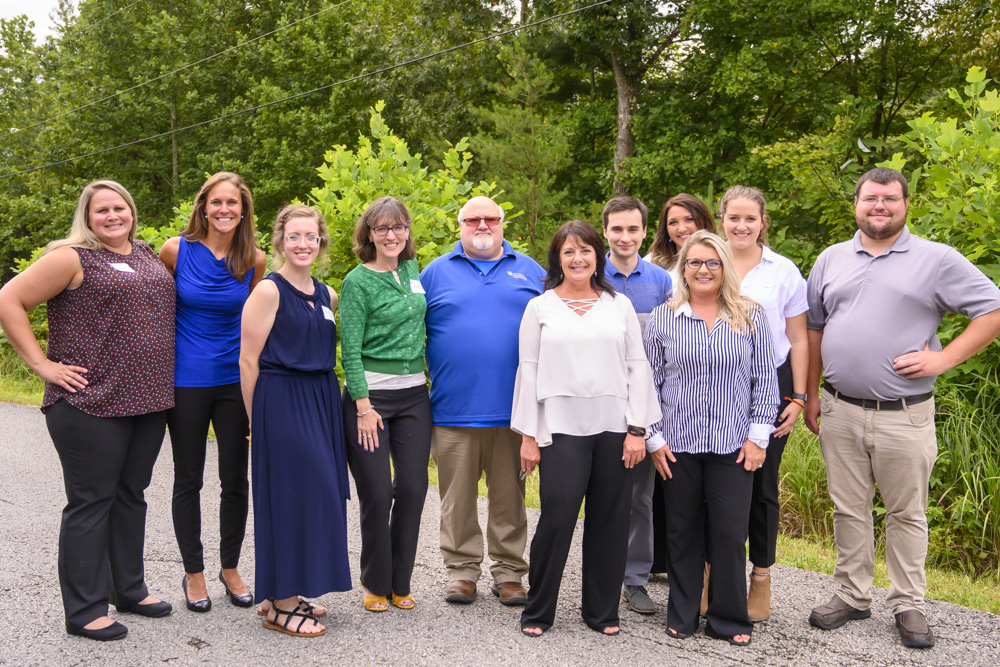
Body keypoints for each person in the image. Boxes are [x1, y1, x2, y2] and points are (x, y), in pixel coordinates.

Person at [804, 167, 1000, 649]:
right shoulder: (830, 259)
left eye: (890, 199)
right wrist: (809, 394)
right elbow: (813, 329)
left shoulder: (936, 260)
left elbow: (992, 309)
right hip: (839, 408)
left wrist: (945, 357)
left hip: (905, 412)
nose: (880, 207)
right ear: (856, 203)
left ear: (905, 204)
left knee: (906, 512)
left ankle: (908, 602)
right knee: (848, 508)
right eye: (871, 198)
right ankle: (852, 594)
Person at [0, 181, 175, 641]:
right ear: (87, 215)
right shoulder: (71, 257)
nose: (113, 215)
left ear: (132, 212)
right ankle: (84, 609)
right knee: (91, 501)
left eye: (120, 207)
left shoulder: (146, 253)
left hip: (148, 400)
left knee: (131, 494)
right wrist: (41, 365)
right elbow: (9, 299)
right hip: (88, 402)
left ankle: (129, 589)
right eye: (102, 210)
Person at [512, 220, 661, 638]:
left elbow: (637, 367)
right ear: (557, 259)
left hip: (615, 430)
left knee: (610, 521)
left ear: (598, 256)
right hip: (559, 430)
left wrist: (637, 430)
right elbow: (528, 371)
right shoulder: (540, 307)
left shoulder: (619, 306)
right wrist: (528, 435)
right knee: (557, 518)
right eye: (568, 252)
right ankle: (538, 611)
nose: (578, 259)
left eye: (585, 251)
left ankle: (601, 613)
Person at [644, 229, 778, 647]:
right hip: (676, 446)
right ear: (682, 269)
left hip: (733, 447)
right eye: (694, 263)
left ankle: (728, 617)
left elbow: (766, 383)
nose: (703, 270)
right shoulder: (664, 316)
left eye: (711, 262)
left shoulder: (750, 315)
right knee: (681, 533)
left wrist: (758, 439)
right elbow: (648, 382)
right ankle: (682, 615)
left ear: (724, 268)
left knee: (727, 533)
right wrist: (652, 438)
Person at [421, 196, 545, 606]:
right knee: (456, 499)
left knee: (509, 498)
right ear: (459, 225)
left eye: (490, 218)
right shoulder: (434, 273)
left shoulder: (530, 271)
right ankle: (461, 572)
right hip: (452, 410)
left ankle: (509, 573)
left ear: (502, 223)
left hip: (514, 413)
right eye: (472, 218)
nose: (482, 224)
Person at [239, 205, 351, 637]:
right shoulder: (270, 291)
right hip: (280, 399)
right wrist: (257, 420)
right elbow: (248, 360)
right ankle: (281, 605)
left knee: (318, 493)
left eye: (311, 236)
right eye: (294, 236)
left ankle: (280, 591)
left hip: (321, 398)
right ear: (280, 241)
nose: (303, 244)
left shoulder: (328, 294)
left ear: (321, 241)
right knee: (292, 495)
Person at [159, 172, 267, 613]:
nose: (225, 210)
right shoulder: (174, 250)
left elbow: (260, 324)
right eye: (217, 202)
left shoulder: (254, 260)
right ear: (203, 206)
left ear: (244, 211)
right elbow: (149, 303)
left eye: (233, 203)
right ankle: (194, 573)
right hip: (185, 381)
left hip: (234, 382)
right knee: (188, 479)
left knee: (235, 480)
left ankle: (230, 567)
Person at [717, 185, 808, 622]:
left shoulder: (783, 270)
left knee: (762, 484)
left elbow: (798, 338)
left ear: (762, 222)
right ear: (722, 220)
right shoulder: (703, 260)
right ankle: (714, 575)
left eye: (750, 218)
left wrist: (801, 396)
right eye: (734, 218)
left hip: (772, 382)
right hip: (711, 384)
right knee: (713, 483)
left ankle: (761, 577)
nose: (741, 226)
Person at [340, 196, 432, 613]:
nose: (391, 235)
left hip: (414, 395)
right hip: (370, 400)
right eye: (382, 228)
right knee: (378, 493)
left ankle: (401, 581)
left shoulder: (413, 270)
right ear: (369, 234)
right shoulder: (357, 281)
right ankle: (375, 581)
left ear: (407, 231)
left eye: (398, 227)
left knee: (412, 489)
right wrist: (362, 405)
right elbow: (350, 350)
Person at [598, 195, 672, 616]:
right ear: (605, 230)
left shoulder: (661, 282)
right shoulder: (589, 274)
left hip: (641, 409)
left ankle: (635, 580)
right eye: (617, 229)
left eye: (633, 229)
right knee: (599, 495)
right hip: (596, 404)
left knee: (640, 499)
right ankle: (601, 573)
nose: (625, 237)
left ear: (645, 231)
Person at [646, 193, 717, 280]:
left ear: (703, 222)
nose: (681, 229)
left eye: (689, 220)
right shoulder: (650, 264)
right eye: (673, 223)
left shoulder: (722, 259)